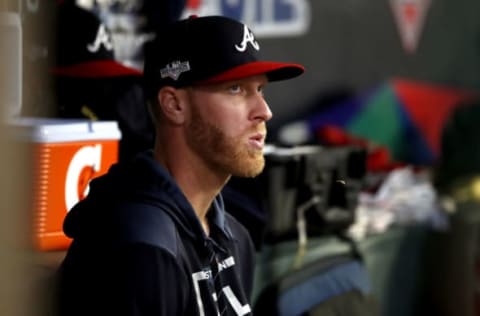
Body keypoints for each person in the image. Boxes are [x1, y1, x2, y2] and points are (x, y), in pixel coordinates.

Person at [56, 15, 304, 316]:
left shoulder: (234, 238)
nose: (264, 111)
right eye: (236, 88)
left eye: (261, 90)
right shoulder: (140, 246)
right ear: (174, 105)